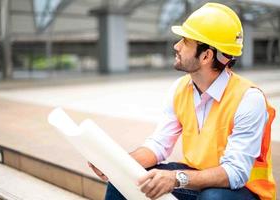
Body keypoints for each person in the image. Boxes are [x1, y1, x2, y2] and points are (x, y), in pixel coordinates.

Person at [89, 2, 276, 200]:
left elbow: (236, 173)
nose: (176, 46)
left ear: (206, 55)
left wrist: (177, 178)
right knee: (127, 179)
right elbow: (159, 145)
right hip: (197, 180)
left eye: (185, 41)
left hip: (243, 191)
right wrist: (119, 163)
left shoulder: (248, 99)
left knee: (213, 198)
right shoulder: (180, 89)